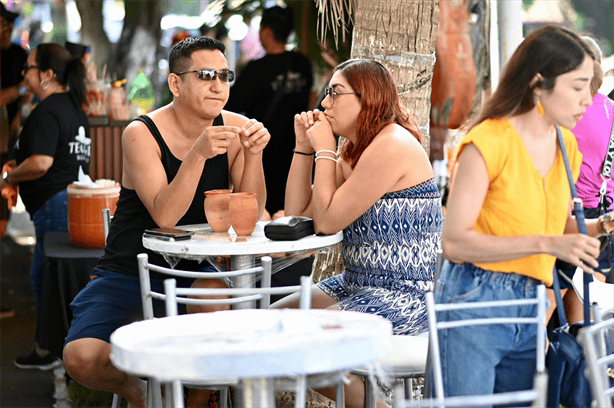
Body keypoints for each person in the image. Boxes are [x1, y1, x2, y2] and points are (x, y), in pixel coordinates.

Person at [63, 36, 269, 408]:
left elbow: (250, 214)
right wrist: (197, 155)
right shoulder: (140, 133)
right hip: (128, 268)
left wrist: (253, 155)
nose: (218, 85)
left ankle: (198, 396)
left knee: (216, 303)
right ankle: (138, 392)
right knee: (81, 358)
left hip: (198, 272)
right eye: (206, 75)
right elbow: (165, 215)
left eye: (225, 75)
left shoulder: (236, 128)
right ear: (176, 83)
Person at [438, 25, 613, 400]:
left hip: (534, 303)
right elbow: (454, 242)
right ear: (538, 84)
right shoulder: (487, 140)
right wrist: (548, 244)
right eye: (578, 86)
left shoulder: (566, 144)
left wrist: (603, 225)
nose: (589, 98)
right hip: (475, 299)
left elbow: (552, 226)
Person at [273, 59, 443, 408]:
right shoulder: (354, 148)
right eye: (327, 93)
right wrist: (304, 147)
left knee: (301, 341)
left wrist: (322, 148)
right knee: (270, 326)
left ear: (367, 98)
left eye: (335, 93)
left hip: (403, 296)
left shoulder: (391, 143)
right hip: (357, 283)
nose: (324, 103)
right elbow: (297, 215)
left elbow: (327, 222)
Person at [0, 43, 90, 369]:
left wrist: (10, 174)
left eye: (29, 67)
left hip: (56, 204)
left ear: (48, 74)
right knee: (48, 277)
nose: (24, 73)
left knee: (47, 278)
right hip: (69, 202)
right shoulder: (72, 108)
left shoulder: (48, 109)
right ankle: (52, 349)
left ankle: (54, 351)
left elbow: (40, 162)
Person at [225, 4, 313, 218]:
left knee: (264, 212)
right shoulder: (303, 63)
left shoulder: (255, 70)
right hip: (297, 151)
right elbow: (310, 99)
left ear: (265, 32)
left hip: (263, 150)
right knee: (292, 210)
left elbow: (231, 106)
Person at [553, 36, 614, 325]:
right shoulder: (611, 111)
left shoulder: (567, 113)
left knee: (550, 305)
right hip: (604, 219)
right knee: (588, 317)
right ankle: (585, 368)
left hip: (571, 216)